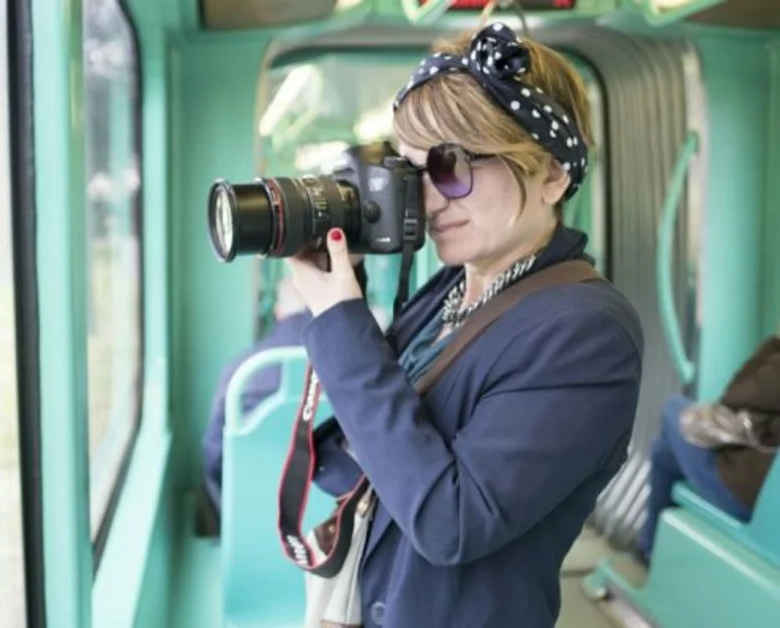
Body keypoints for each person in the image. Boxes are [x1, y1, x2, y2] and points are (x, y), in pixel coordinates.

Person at [284, 23, 644, 628]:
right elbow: (379, 453)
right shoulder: (456, 284)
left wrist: (341, 325)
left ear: (552, 175)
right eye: (414, 172)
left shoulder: (588, 332)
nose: (429, 199)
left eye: (451, 166)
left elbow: (451, 523)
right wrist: (351, 290)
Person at [637, 330, 780, 564]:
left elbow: (732, 398)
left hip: (746, 497)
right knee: (664, 453)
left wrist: (775, 342)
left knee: (674, 407)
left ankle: (649, 549)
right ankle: (649, 547)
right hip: (763, 494)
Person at [200, 274, 309, 522]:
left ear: (279, 312)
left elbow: (213, 458)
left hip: (253, 520)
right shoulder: (356, 368)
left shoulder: (243, 369)